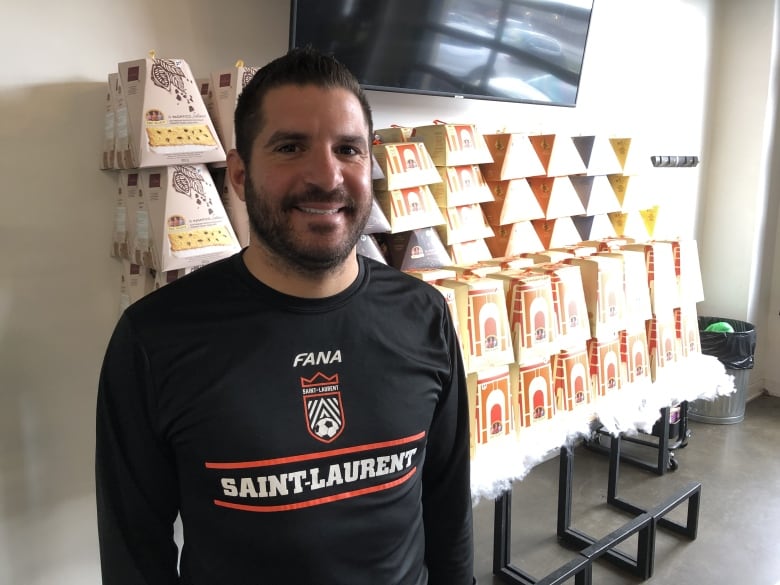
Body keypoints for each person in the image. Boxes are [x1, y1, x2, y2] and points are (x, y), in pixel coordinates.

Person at [95, 46, 474, 585]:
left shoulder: (424, 314)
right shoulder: (155, 337)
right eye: (291, 147)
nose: (326, 176)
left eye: (349, 149)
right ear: (240, 176)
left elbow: (447, 506)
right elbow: (134, 552)